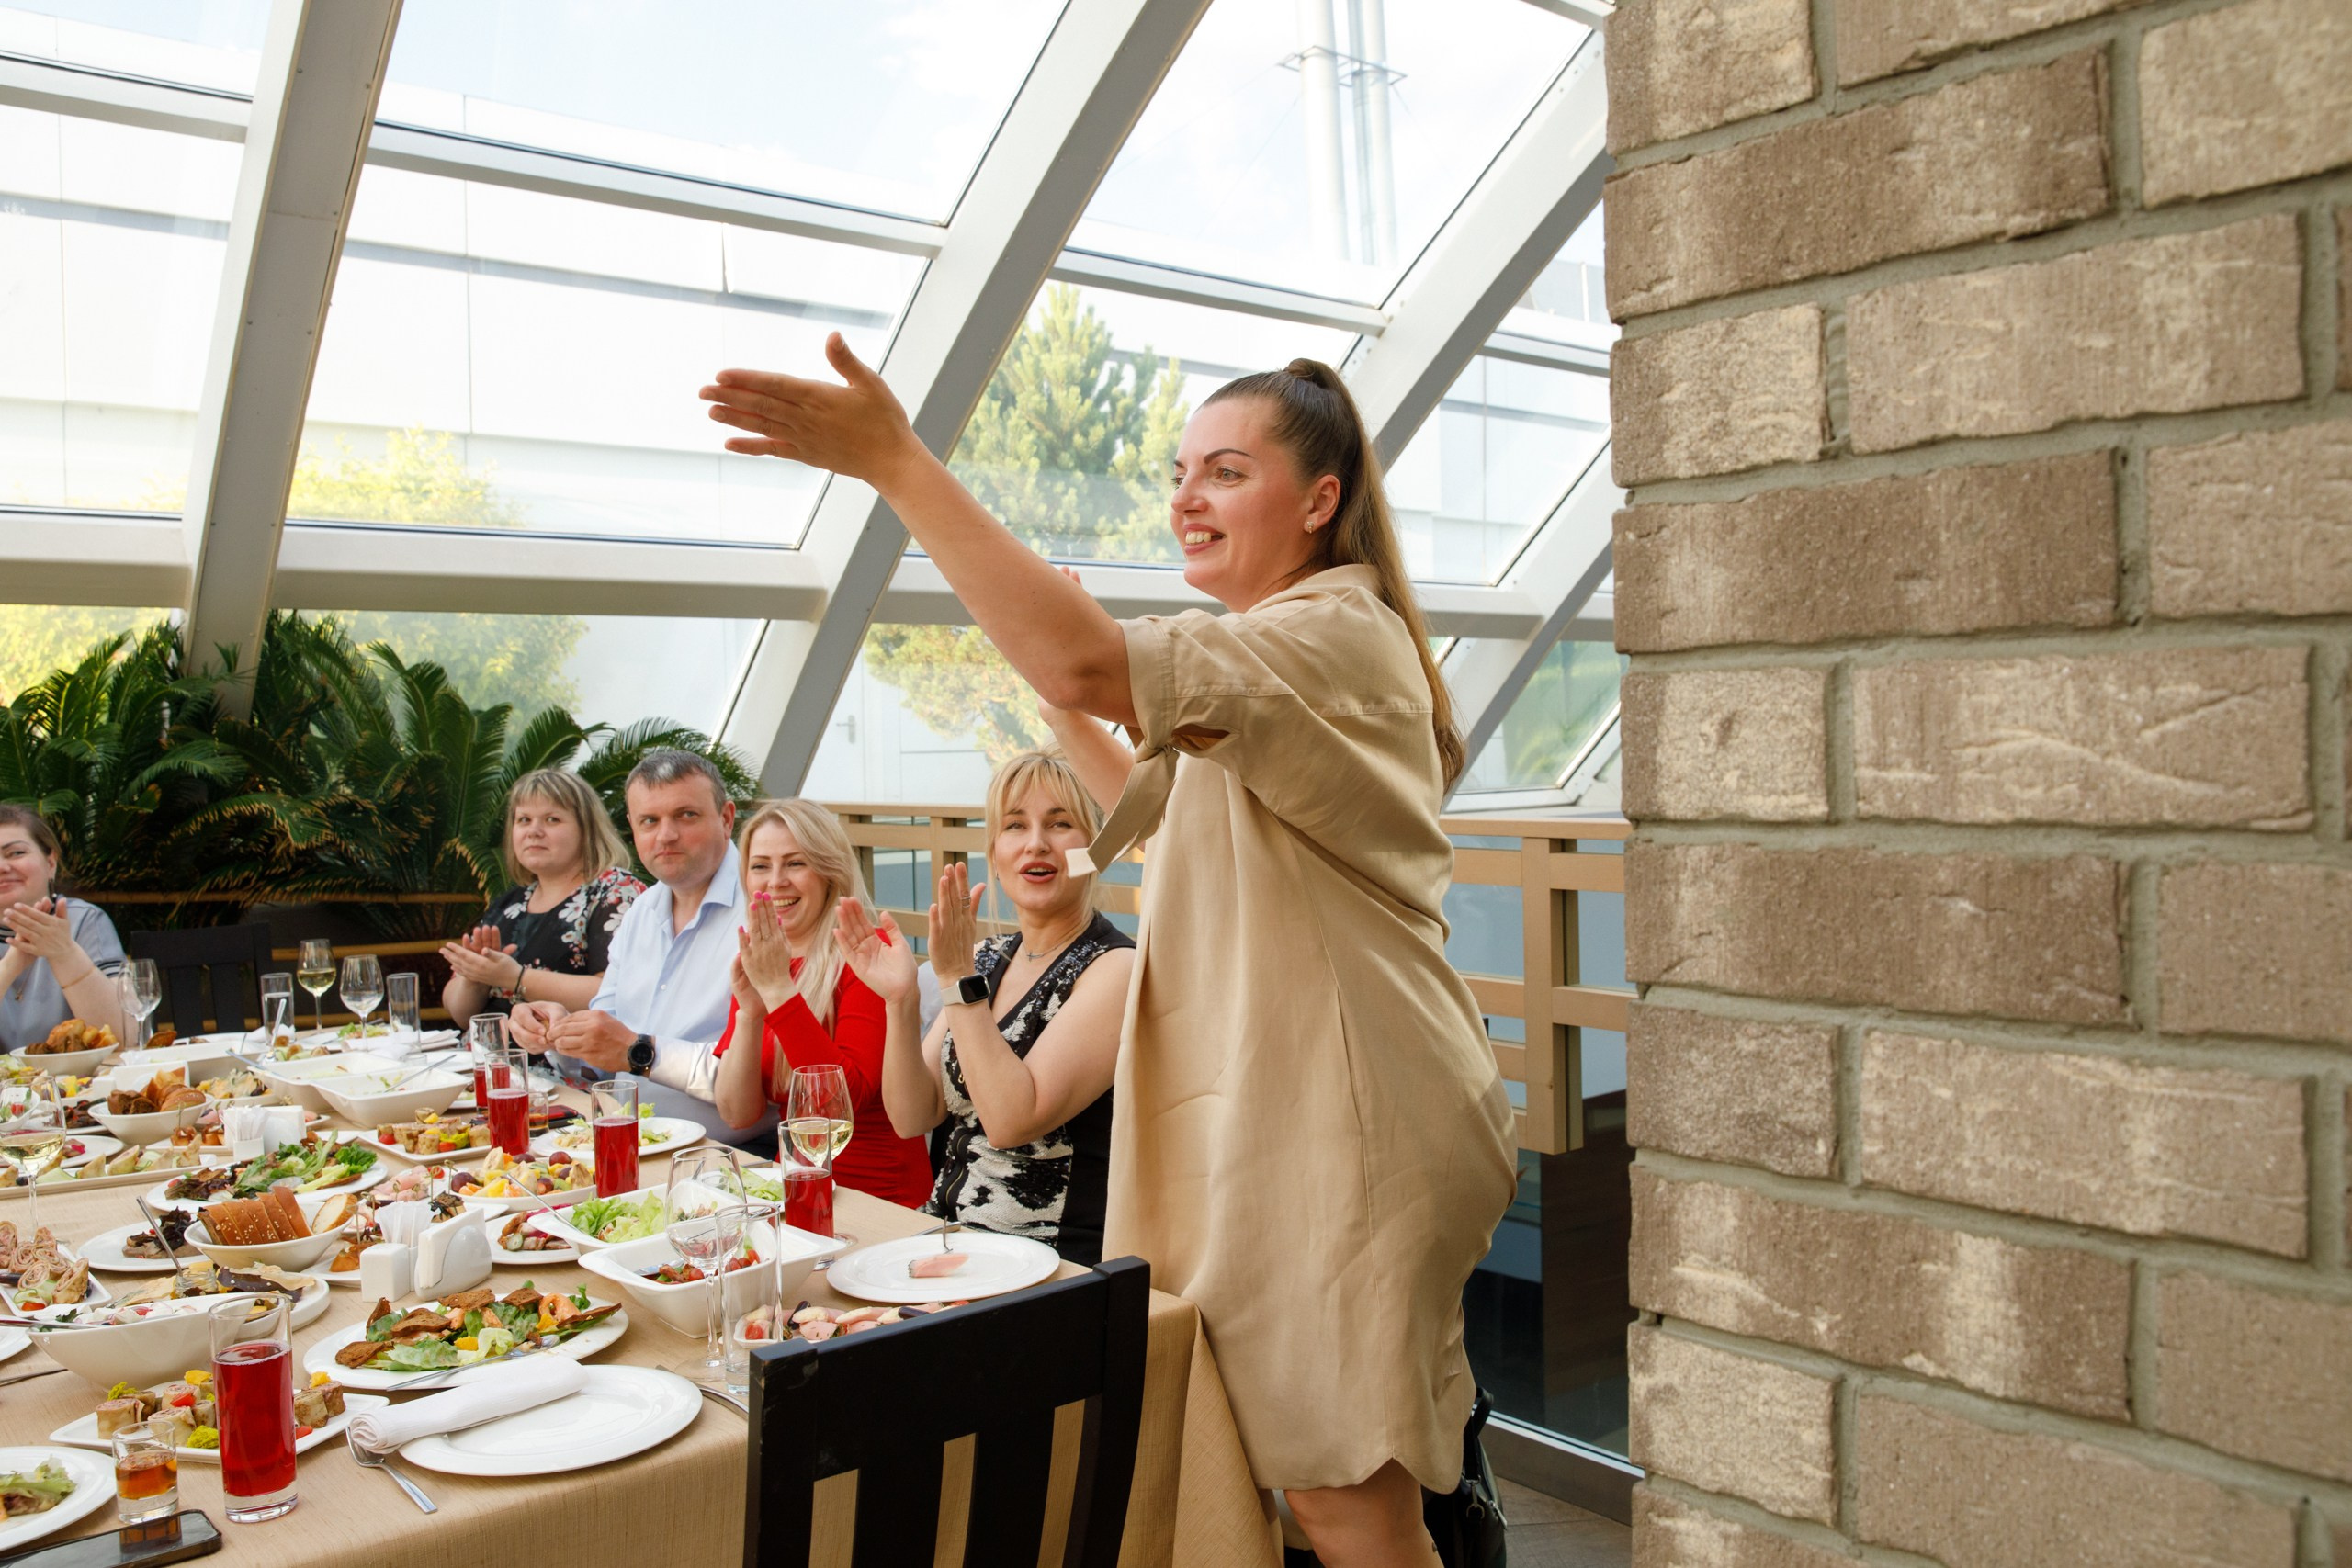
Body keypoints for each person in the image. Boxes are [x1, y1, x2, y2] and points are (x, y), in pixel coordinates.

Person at [704, 344, 1517, 1568]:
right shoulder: (1278, 659)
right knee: (1319, 1485)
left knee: (1350, 1495)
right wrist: (1064, 707)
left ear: (1320, 500)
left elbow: (1086, 653)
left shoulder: (1328, 630)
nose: (1187, 494)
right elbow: (1163, 786)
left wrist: (896, 464)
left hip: (1350, 1119)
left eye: (1227, 471)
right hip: (1311, 1115)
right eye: (1180, 470)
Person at [837, 750, 1134, 1265]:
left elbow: (1011, 1120)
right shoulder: (984, 959)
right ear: (995, 854)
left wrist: (954, 981)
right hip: (947, 1240)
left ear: (1096, 849)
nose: (1035, 843)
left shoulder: (1115, 968)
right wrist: (901, 1001)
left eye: (1060, 823)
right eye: (1015, 826)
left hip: (1047, 1265)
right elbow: (912, 1116)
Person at [506, 750, 763, 1148]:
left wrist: (637, 1051)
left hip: (735, 1156)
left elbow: (767, 1077)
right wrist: (558, 1030)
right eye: (650, 821)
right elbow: (606, 1044)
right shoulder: (641, 910)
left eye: (686, 815)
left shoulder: (765, 905)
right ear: (632, 827)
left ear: (726, 819)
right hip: (630, 1141)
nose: (666, 835)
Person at [711, 801, 931, 1206]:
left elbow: (841, 1103)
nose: (776, 881)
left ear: (828, 871)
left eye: (795, 863)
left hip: (877, 1203)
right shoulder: (766, 960)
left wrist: (778, 992)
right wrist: (749, 1014)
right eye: (760, 866)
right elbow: (737, 1113)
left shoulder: (867, 955)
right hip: (792, 1190)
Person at [439, 769, 643, 1029]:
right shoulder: (509, 903)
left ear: (587, 829)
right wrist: (476, 978)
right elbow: (460, 1015)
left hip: (565, 1064)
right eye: (523, 819)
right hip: (490, 1061)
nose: (533, 831)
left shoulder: (614, 891)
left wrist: (516, 978)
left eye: (552, 819)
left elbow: (617, 995)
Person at [0, 805, 128, 1052]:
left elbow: (125, 1038)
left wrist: (64, 952)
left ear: (50, 862)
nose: (2, 867)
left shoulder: (85, 921)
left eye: (15, 853)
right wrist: (11, 964)